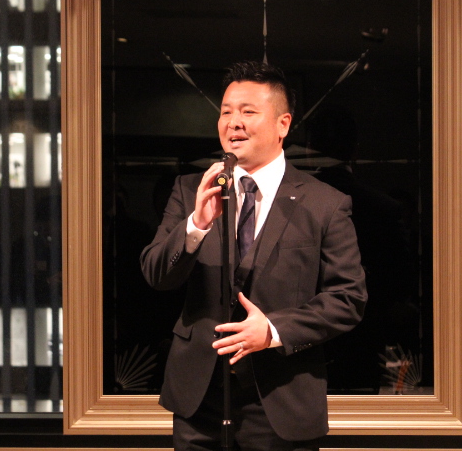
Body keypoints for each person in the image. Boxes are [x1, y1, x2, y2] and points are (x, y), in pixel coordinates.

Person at [140, 61, 367, 451]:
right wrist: (196, 224)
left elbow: (348, 298)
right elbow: (156, 275)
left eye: (248, 112)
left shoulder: (325, 203)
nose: (234, 123)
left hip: (280, 396)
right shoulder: (190, 189)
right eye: (226, 112)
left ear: (283, 124)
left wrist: (273, 331)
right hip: (199, 400)